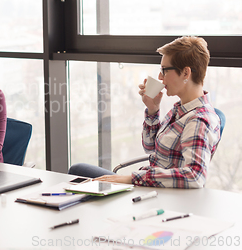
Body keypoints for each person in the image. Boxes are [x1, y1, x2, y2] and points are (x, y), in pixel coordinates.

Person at [69, 36, 221, 188]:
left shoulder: (198, 120)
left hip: (155, 192)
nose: (160, 77)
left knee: (79, 174)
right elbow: (150, 147)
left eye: (164, 70)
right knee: (78, 171)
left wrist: (133, 178)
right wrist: (153, 109)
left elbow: (194, 176)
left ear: (186, 73)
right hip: (145, 184)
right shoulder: (180, 109)